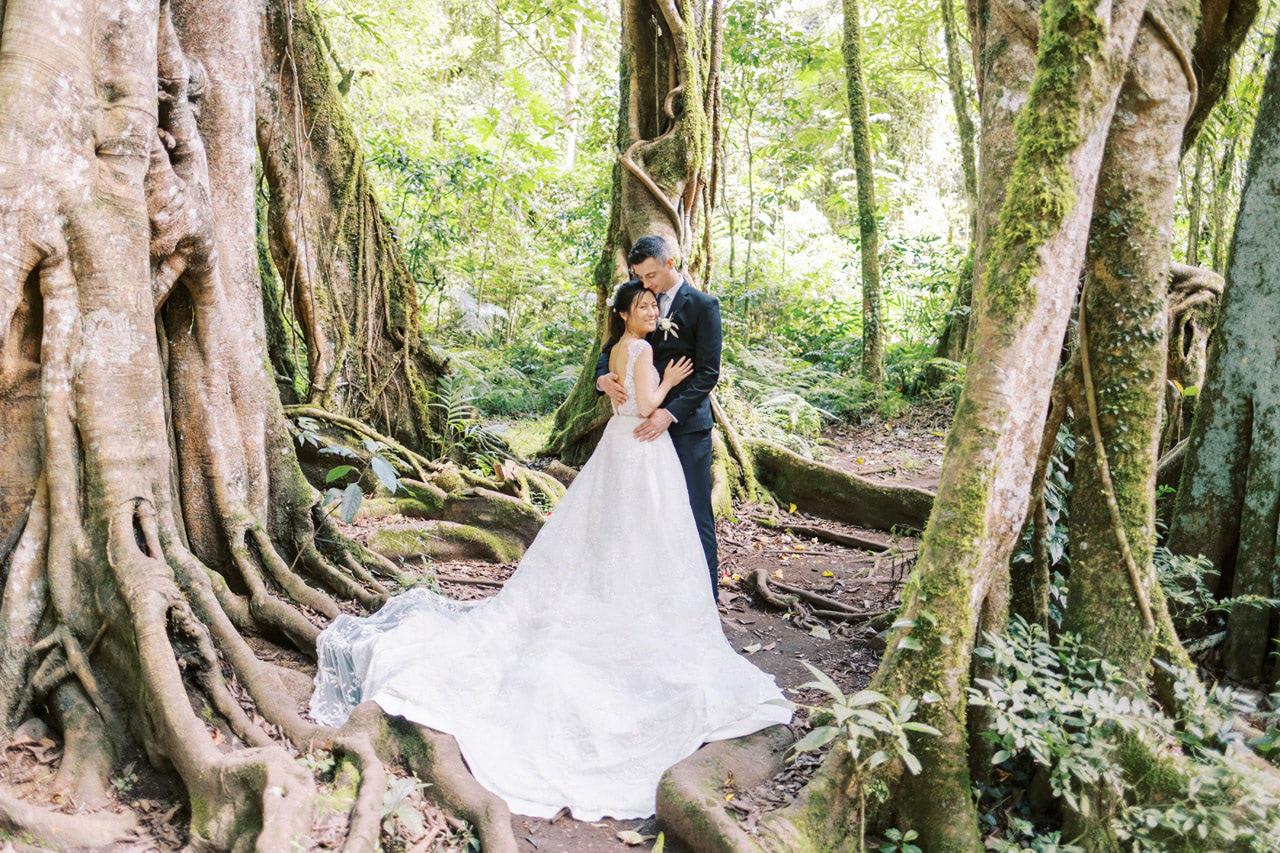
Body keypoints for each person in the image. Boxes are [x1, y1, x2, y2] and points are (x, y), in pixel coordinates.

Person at [309, 280, 791, 821]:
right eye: (642, 305)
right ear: (625, 313)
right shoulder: (641, 349)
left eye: (654, 303)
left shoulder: (619, 349)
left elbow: (620, 391)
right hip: (639, 449)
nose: (652, 310)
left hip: (623, 449)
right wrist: (673, 379)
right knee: (637, 536)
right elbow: (648, 402)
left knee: (615, 537)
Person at [596, 235, 723, 595]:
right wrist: (602, 378)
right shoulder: (639, 299)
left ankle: (705, 599)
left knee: (694, 513)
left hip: (685, 428)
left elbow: (707, 373)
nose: (645, 283)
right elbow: (613, 347)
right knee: (647, 516)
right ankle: (655, 595)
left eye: (650, 275)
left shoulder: (702, 306)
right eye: (640, 276)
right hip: (639, 431)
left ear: (670, 263)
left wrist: (668, 414)